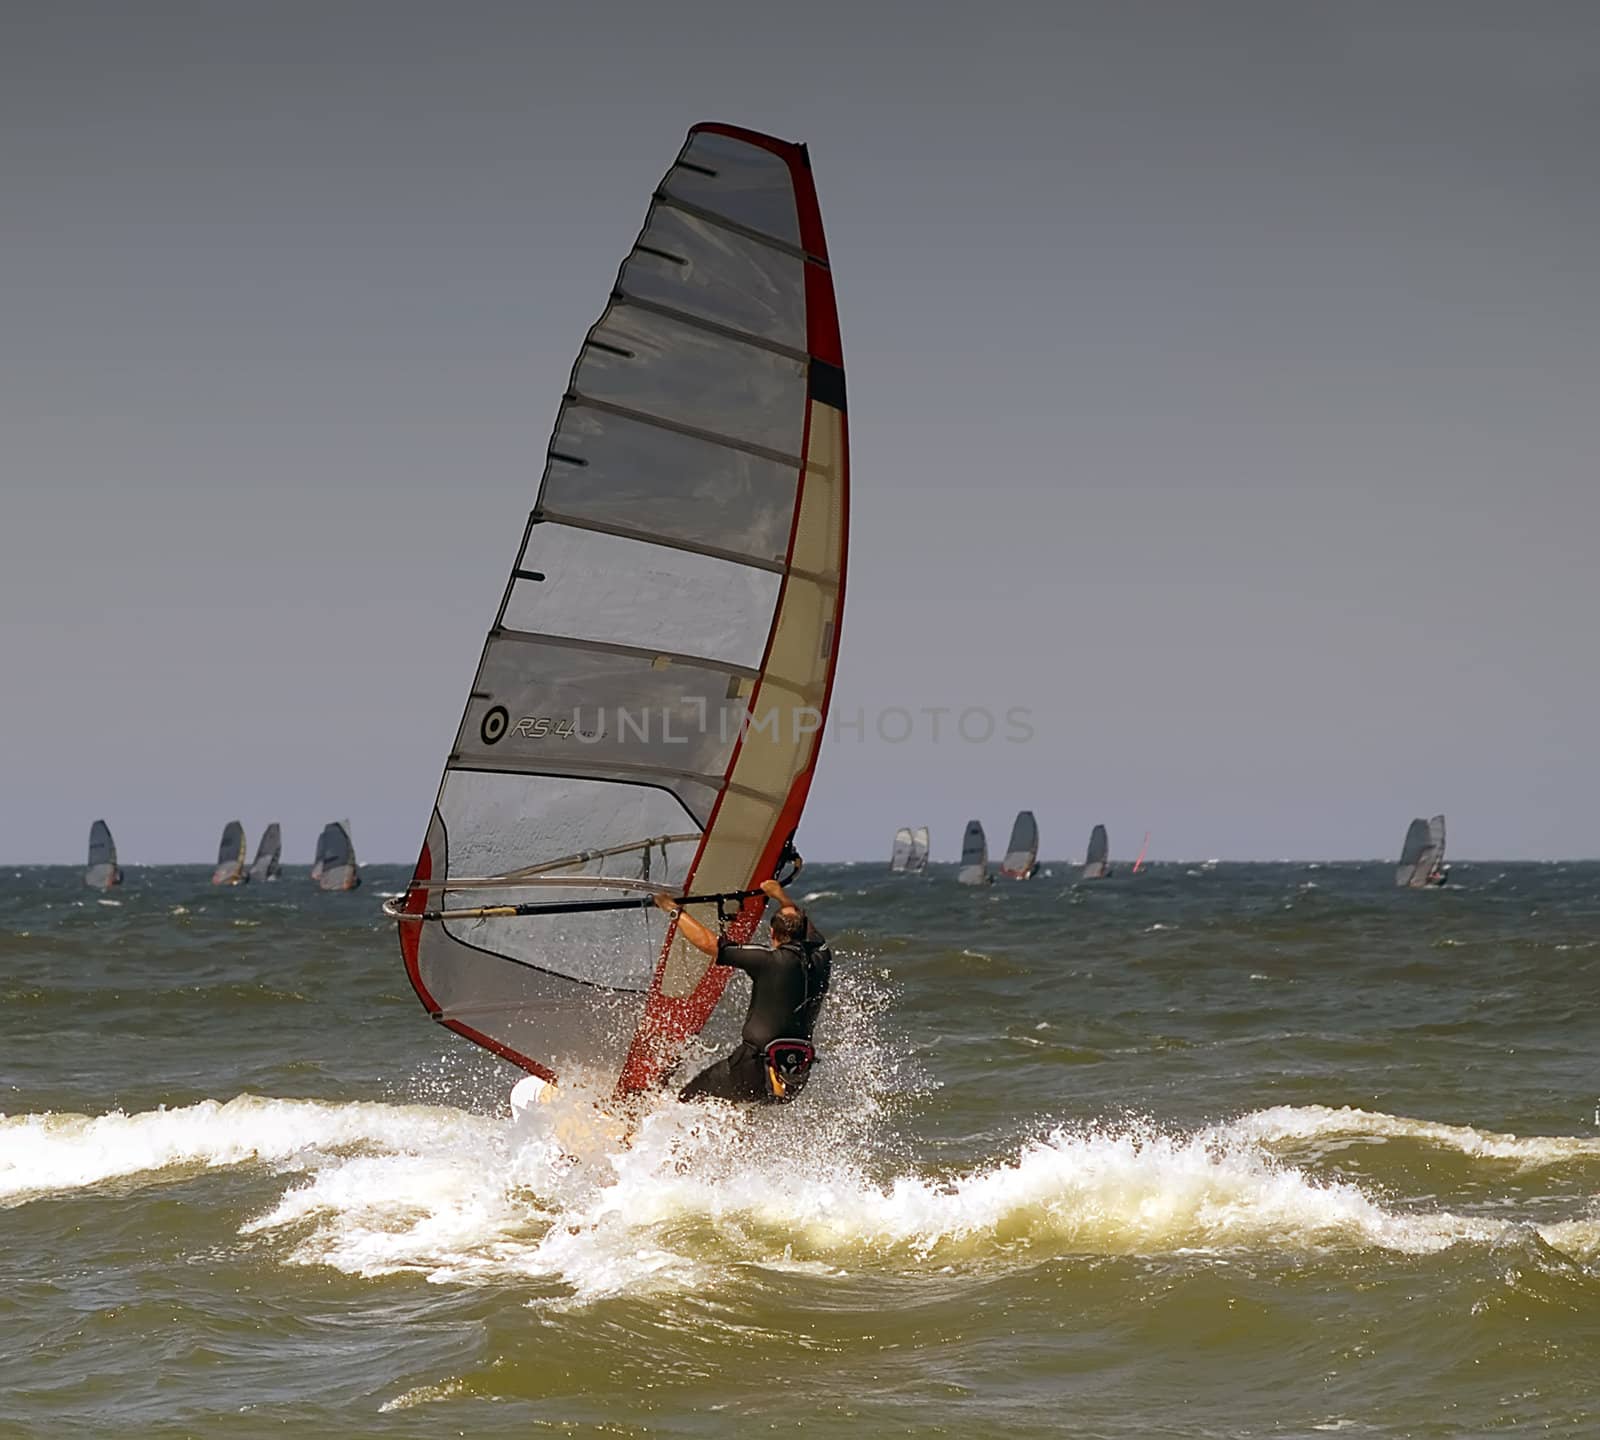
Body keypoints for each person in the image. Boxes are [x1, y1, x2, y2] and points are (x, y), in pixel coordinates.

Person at [653, 877, 831, 1104]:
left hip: (752, 1069)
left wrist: (672, 909)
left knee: (692, 1096)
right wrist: (780, 896)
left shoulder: (769, 959)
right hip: (793, 1079)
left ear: (773, 934)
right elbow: (803, 924)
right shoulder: (822, 956)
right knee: (744, 1105)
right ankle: (733, 1139)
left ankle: (670, 1137)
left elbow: (712, 945)